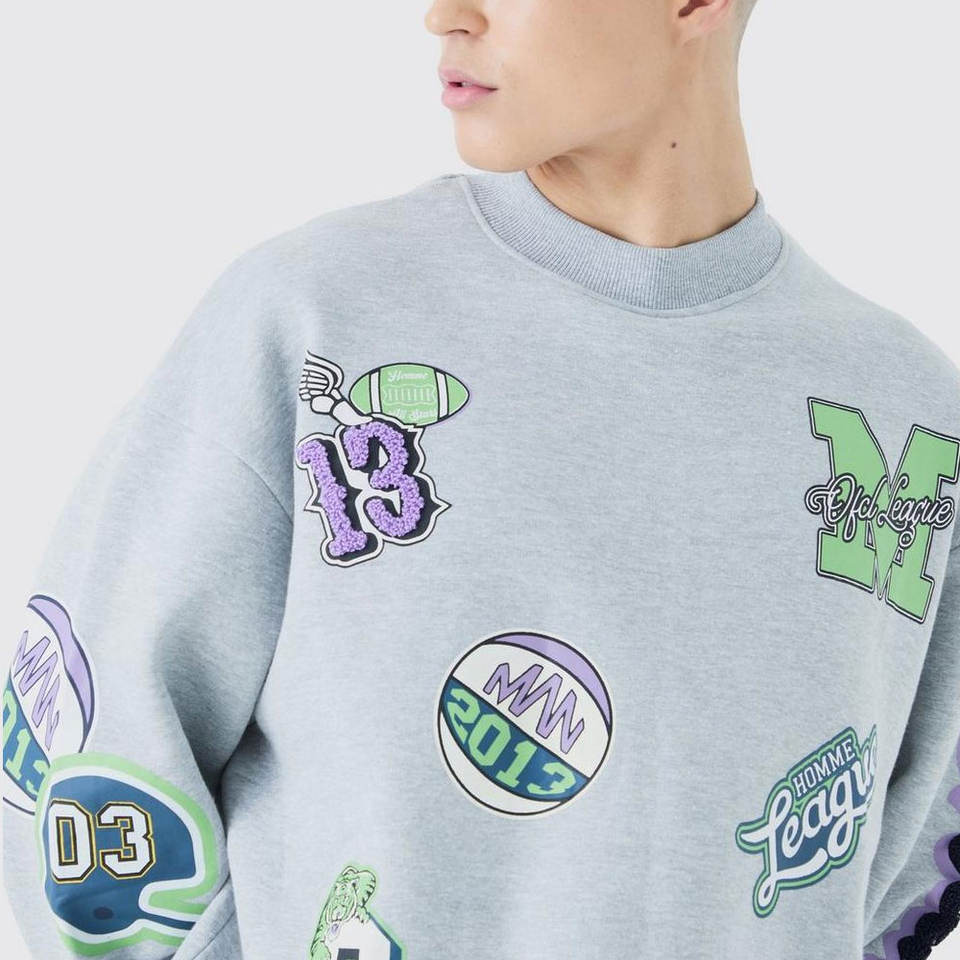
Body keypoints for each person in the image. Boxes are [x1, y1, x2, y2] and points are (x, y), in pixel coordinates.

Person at [4, 1, 959, 957]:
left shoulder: (907, 419)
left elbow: (912, 857)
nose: (445, 15)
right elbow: (84, 748)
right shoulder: (316, 322)